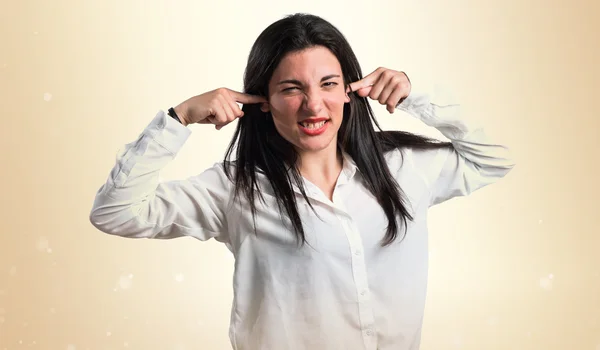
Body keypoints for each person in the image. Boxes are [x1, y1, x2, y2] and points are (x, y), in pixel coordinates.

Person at [89, 12, 515, 350]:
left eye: (328, 84)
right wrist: (178, 119)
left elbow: (498, 159)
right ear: (263, 100)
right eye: (292, 89)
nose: (314, 105)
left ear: (351, 89)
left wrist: (415, 95)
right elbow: (115, 213)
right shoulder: (235, 190)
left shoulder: (403, 167)